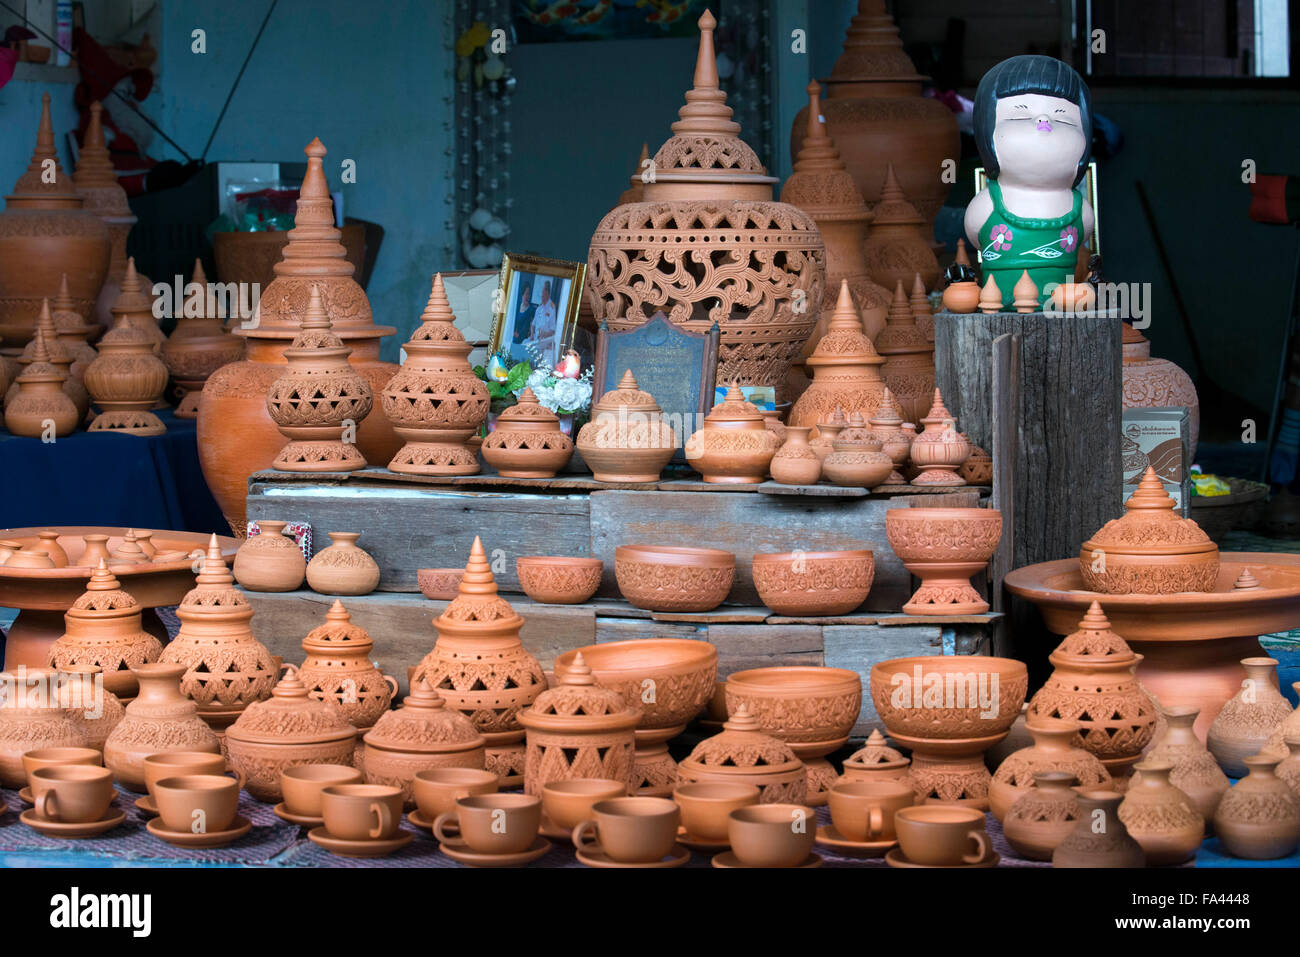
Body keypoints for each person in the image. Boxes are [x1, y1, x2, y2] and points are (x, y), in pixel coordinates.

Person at [965, 55, 1094, 308]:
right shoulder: (987, 205)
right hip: (999, 309)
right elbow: (975, 233)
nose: (1043, 122)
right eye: (1020, 116)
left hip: (1064, 315)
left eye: (1063, 117)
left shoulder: (1081, 210)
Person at [525, 279, 559, 362]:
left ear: (547, 293)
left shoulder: (552, 308)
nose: (541, 295)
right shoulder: (539, 309)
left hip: (545, 343)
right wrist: (532, 334)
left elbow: (553, 331)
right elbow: (533, 325)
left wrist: (545, 334)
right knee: (524, 345)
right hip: (535, 340)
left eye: (543, 292)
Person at [510, 281, 536, 356]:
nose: (528, 296)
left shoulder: (531, 310)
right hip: (513, 337)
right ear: (522, 294)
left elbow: (531, 325)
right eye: (526, 294)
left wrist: (531, 335)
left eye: (529, 294)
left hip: (523, 339)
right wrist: (513, 332)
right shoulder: (516, 306)